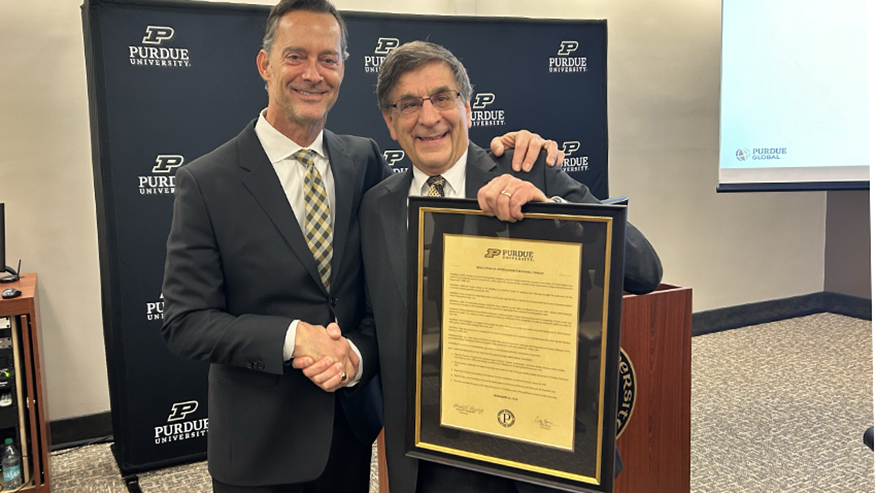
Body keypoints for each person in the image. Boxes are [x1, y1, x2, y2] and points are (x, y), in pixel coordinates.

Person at [160, 1, 561, 492]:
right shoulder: (206, 181)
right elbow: (185, 321)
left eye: (328, 59)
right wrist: (291, 337)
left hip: (352, 433)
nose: (313, 73)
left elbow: (379, 297)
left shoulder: (363, 162)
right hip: (259, 447)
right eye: (295, 57)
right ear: (265, 65)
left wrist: (353, 355)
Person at [353, 40, 663, 493]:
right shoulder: (375, 207)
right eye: (409, 104)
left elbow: (645, 270)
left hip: (541, 456)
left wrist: (554, 214)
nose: (429, 117)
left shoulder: (528, 169)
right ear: (391, 121)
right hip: (432, 460)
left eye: (443, 97)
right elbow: (373, 321)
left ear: (468, 107)